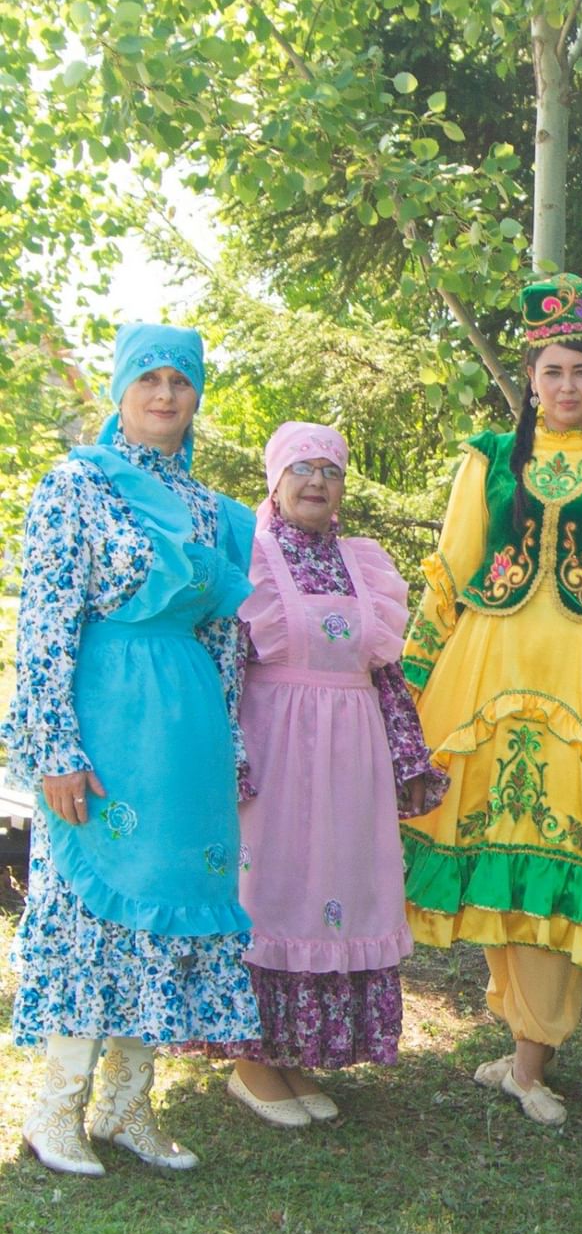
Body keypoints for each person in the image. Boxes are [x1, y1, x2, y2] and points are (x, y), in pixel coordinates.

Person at [400, 276, 582, 1124]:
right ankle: (522, 1043)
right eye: (552, 371)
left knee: (563, 857)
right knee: (498, 854)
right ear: (531, 377)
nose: (566, 386)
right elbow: (450, 577)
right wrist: (408, 690)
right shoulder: (489, 458)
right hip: (485, 678)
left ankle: (533, 1054)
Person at [9, 323, 259, 1175]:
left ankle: (125, 1107)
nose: (164, 394)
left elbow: (227, 643)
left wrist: (229, 747)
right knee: (92, 913)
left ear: (196, 397)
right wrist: (53, 747)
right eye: (147, 378)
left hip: (186, 737)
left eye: (180, 381)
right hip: (105, 721)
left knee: (170, 916)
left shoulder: (216, 513)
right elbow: (43, 621)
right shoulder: (77, 486)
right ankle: (56, 1112)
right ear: (119, 389)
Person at [187, 422, 447, 1127]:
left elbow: (387, 676)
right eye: (300, 468)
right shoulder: (251, 558)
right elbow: (223, 666)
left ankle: (293, 1052)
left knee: (333, 888)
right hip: (276, 751)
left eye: (329, 471)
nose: (315, 482)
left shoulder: (365, 564)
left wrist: (408, 760)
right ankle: (250, 1063)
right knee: (270, 890)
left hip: (351, 754)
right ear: (275, 480)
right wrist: (229, 754)